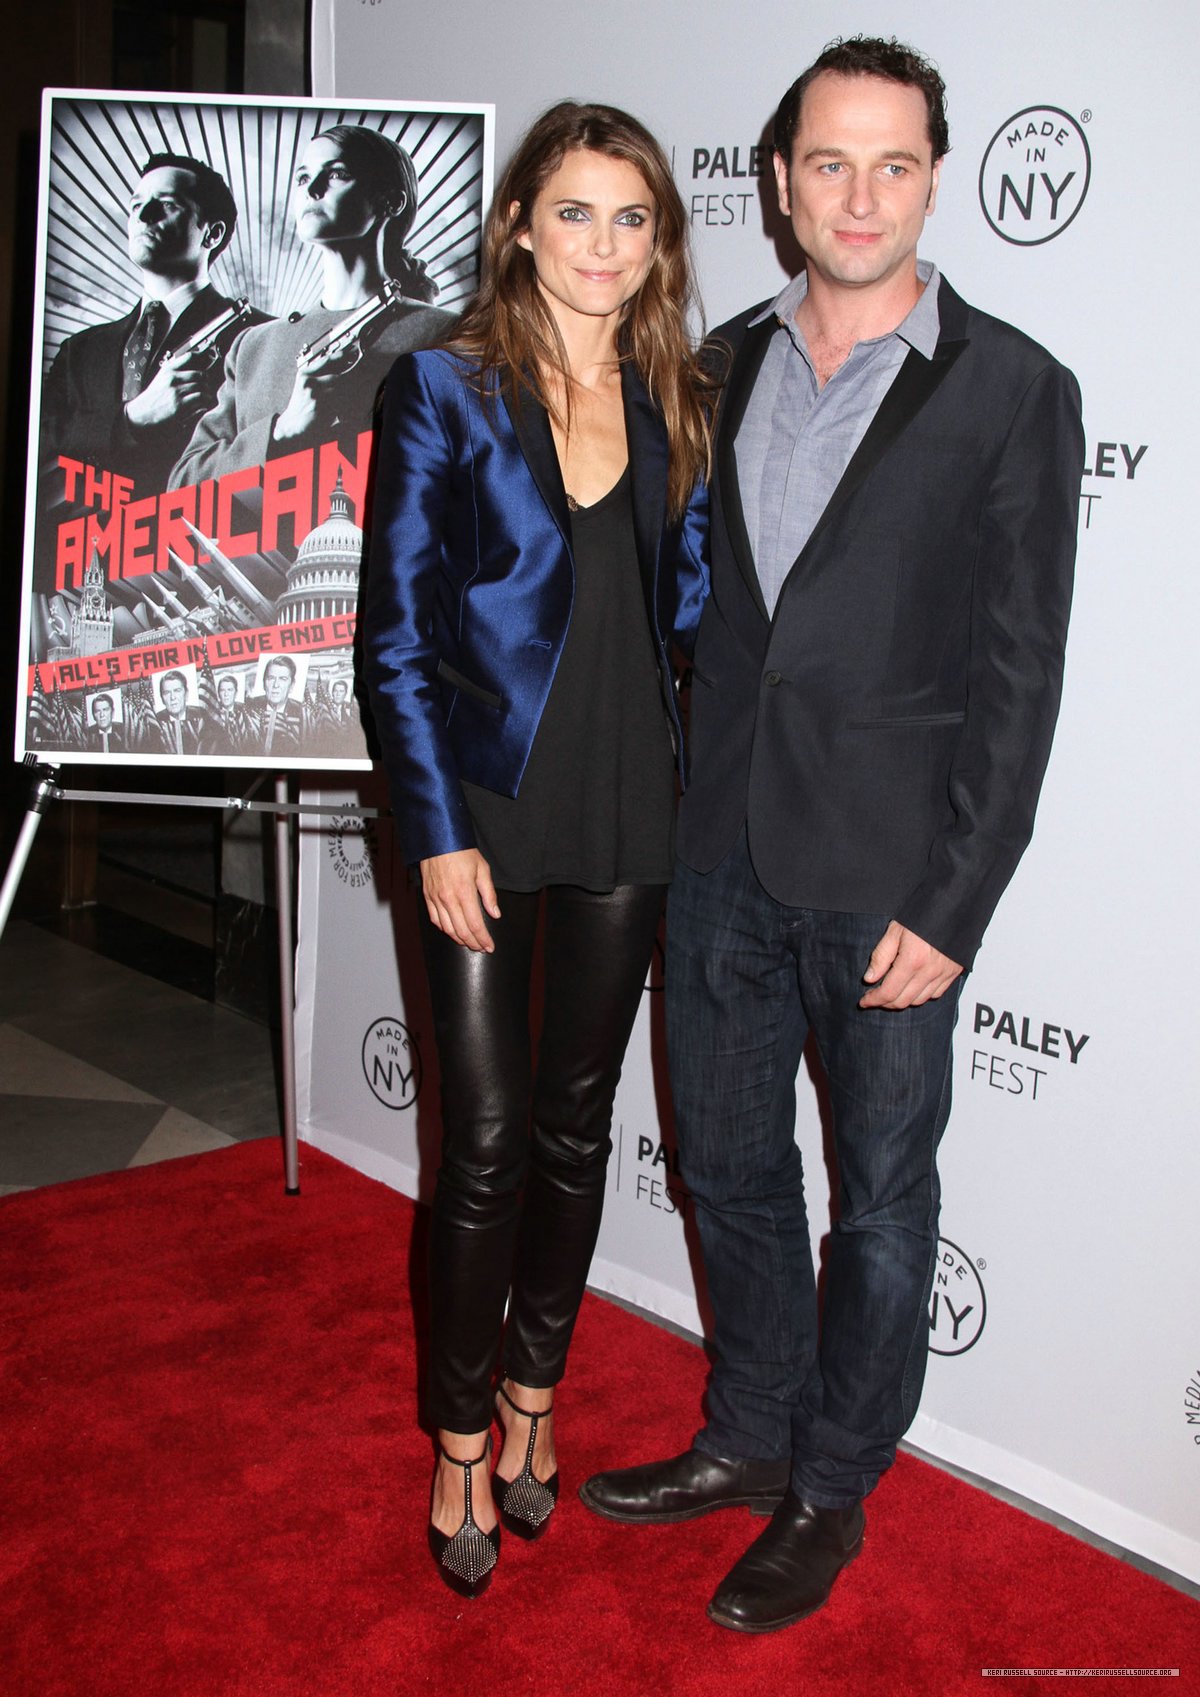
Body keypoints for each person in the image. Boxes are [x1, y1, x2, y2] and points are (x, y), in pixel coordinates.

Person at [580, 37, 1083, 1635]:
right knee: (727, 1171)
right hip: (717, 845)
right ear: (781, 181)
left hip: (889, 878)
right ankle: (748, 1431)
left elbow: (1021, 679)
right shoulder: (712, 361)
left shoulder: (1014, 387)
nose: (857, 194)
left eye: (893, 163)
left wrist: (958, 902)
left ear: (933, 177)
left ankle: (832, 1482)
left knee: (877, 1199)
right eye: (826, 162)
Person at [363, 101, 710, 1600]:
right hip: (488, 818)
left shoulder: (674, 388)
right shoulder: (441, 386)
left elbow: (686, 614)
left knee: (578, 1127)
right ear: (520, 224)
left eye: (631, 220)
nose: (603, 246)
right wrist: (435, 833)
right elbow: (391, 637)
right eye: (575, 213)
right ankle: (454, 1437)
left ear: (658, 241)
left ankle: (533, 1403)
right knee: (488, 1140)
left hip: (633, 803)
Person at [172, 124, 453, 490]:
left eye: (337, 174)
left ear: (391, 201)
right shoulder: (252, 348)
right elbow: (182, 485)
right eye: (303, 177)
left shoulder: (451, 335)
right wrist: (282, 431)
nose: (312, 189)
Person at [41, 153, 267, 498]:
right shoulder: (79, 350)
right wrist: (130, 420)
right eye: (136, 205)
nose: (144, 216)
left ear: (212, 233)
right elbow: (39, 442)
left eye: (167, 205)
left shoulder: (263, 337)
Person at [248, 655, 303, 756]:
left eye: (283, 679)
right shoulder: (248, 708)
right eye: (271, 678)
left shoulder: (302, 714)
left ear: (291, 686)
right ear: (264, 683)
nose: (276, 685)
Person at [154, 668, 207, 756]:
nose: (172, 697)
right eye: (167, 693)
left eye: (177, 691)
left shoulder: (202, 716)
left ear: (186, 694)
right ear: (162, 699)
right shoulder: (155, 723)